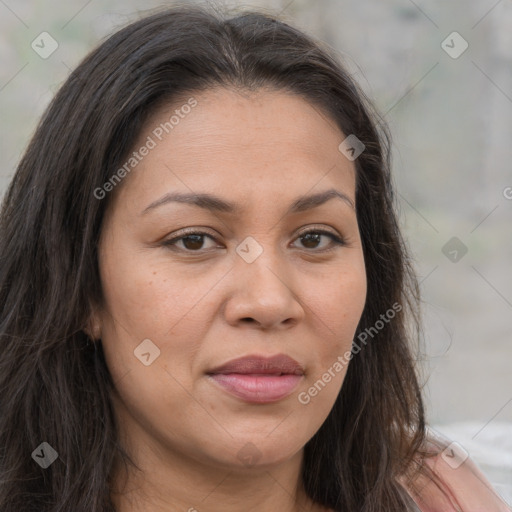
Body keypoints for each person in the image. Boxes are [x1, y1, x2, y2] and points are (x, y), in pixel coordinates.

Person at [0, 4, 509, 512]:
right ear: (82, 285)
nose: (268, 301)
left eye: (314, 239)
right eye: (194, 241)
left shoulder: (443, 496)